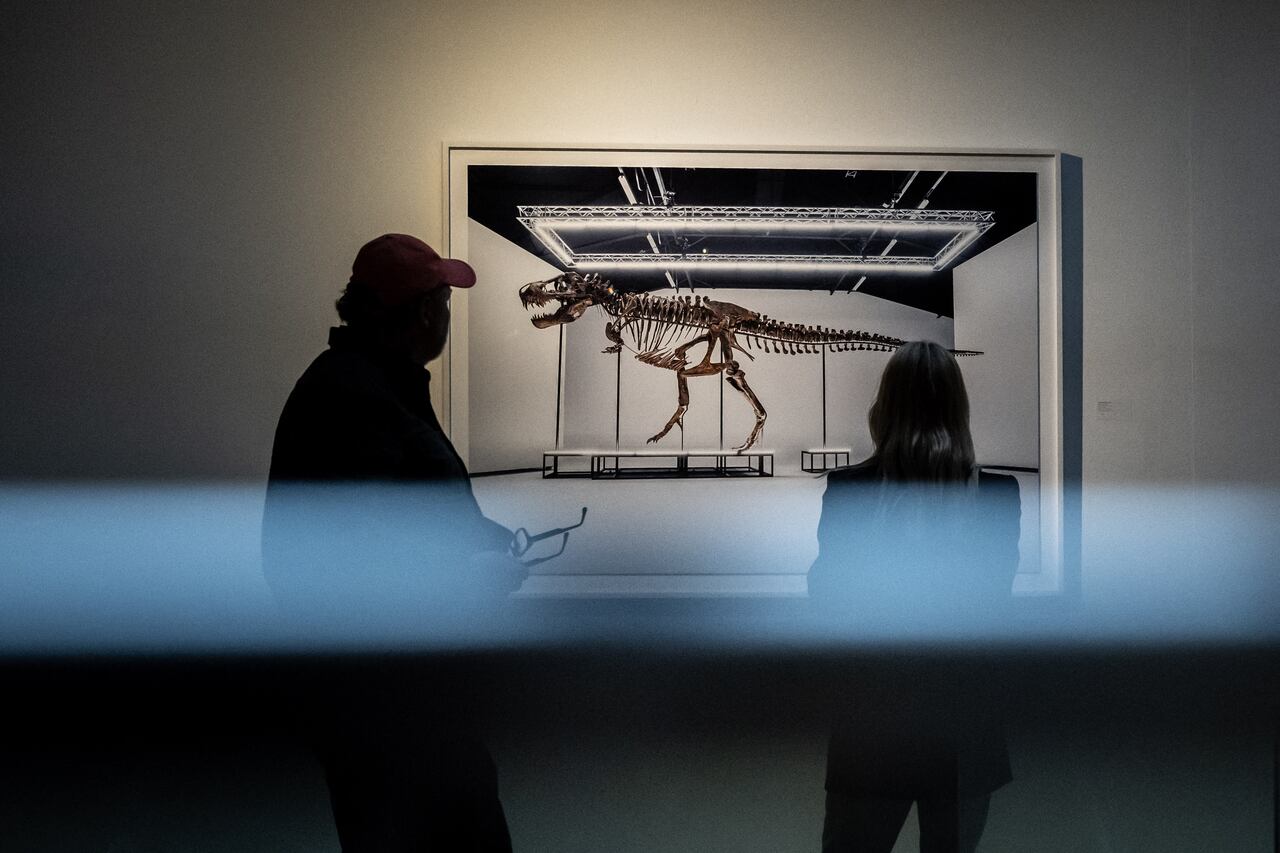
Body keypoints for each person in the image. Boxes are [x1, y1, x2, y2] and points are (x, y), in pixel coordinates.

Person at [262, 233, 523, 852]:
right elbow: (348, 559)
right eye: (444, 304)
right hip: (389, 701)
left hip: (395, 693)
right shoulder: (356, 398)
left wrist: (475, 536)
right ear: (426, 313)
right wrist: (473, 576)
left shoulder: (371, 385)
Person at [808, 340, 1021, 853]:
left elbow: (827, 598)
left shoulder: (850, 489)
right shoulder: (997, 494)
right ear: (958, 407)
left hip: (873, 719)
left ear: (884, 406)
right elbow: (991, 606)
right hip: (963, 721)